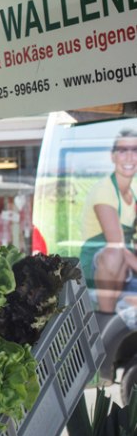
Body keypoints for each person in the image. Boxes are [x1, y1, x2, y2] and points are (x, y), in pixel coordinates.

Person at [80, 128, 137, 313]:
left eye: (135, 150)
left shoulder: (133, 189)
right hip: (99, 259)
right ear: (113, 156)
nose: (129, 157)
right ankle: (105, 318)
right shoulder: (104, 190)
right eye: (123, 151)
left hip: (124, 259)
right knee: (115, 254)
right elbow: (116, 243)